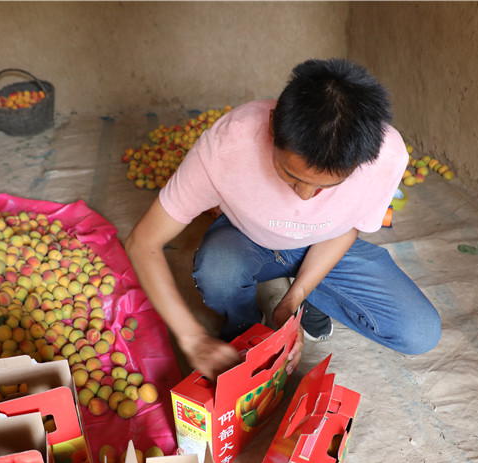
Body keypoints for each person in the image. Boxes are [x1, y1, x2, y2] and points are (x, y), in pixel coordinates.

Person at [124, 58, 441, 380]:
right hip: (246, 238)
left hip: (323, 243)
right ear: (274, 124)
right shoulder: (227, 145)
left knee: (419, 334)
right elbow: (143, 242)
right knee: (218, 270)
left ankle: (313, 294)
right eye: (291, 176)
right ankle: (244, 327)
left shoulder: (386, 158)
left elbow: (346, 230)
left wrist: (294, 299)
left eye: (325, 188)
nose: (303, 197)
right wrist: (191, 338)